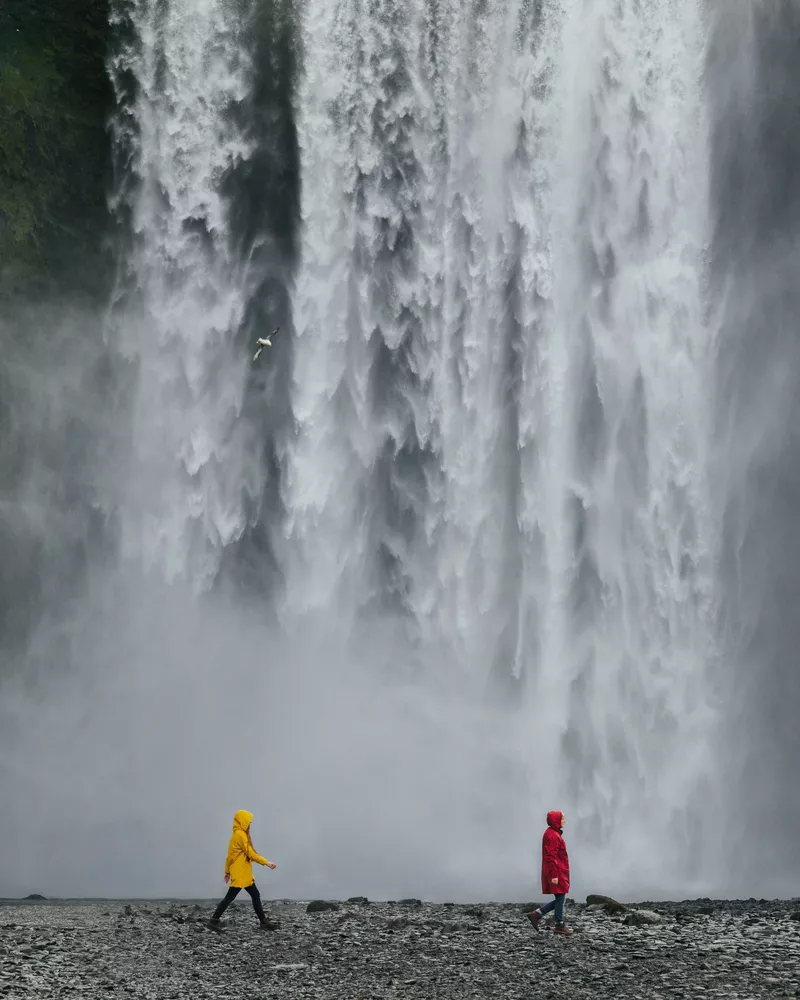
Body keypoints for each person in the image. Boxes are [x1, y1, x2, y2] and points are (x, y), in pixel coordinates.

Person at [208, 810, 279, 932]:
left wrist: (227, 872)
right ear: (243, 821)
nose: (250, 825)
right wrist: (267, 862)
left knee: (255, 895)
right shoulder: (240, 835)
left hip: (243, 873)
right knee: (230, 897)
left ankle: (263, 921)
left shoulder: (236, 835)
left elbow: (229, 856)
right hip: (241, 874)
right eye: (248, 822)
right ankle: (213, 921)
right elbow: (250, 853)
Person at [527, 810, 573, 935]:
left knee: (560, 897)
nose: (565, 821)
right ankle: (558, 924)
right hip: (557, 871)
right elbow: (550, 856)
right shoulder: (553, 835)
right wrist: (554, 875)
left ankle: (537, 914)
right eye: (562, 819)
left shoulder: (552, 833)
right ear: (556, 821)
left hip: (558, 870)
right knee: (561, 896)